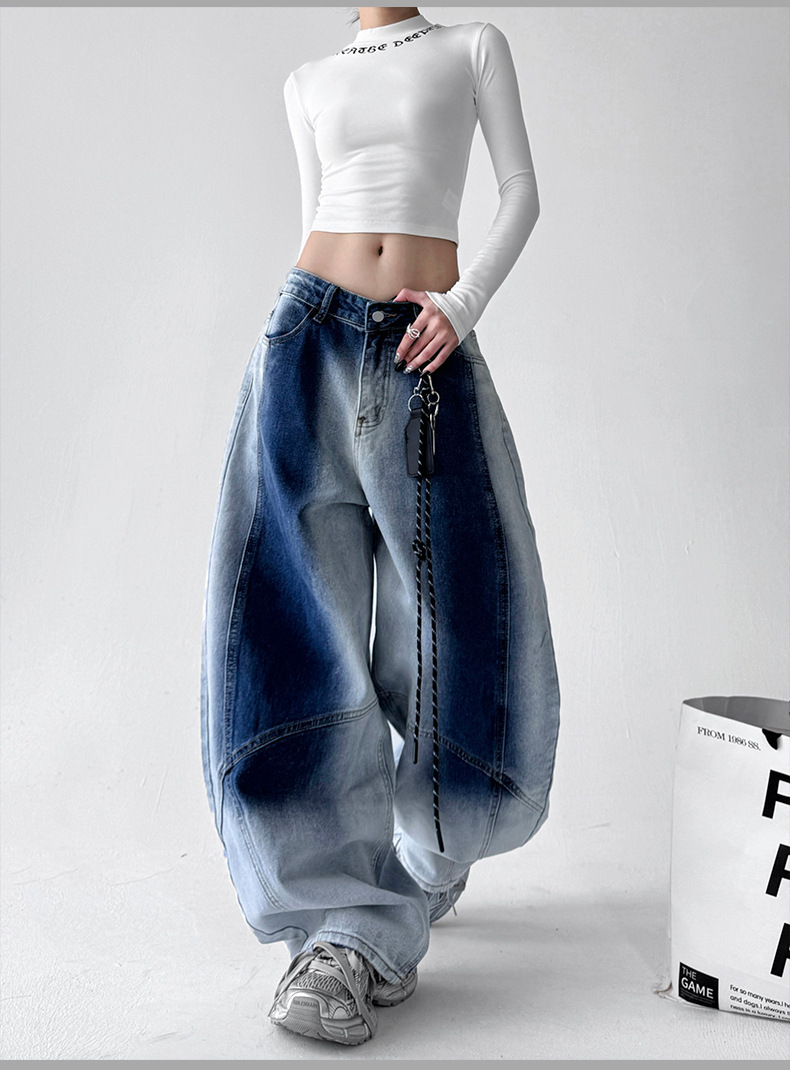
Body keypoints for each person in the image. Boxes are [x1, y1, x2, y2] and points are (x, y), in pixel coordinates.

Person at [200, 6, 561, 1047]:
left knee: (461, 617)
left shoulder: (471, 45)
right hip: (304, 337)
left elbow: (522, 190)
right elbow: (313, 216)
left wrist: (465, 302)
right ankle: (342, 930)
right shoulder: (307, 80)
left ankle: (421, 857)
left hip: (424, 344)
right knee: (293, 625)